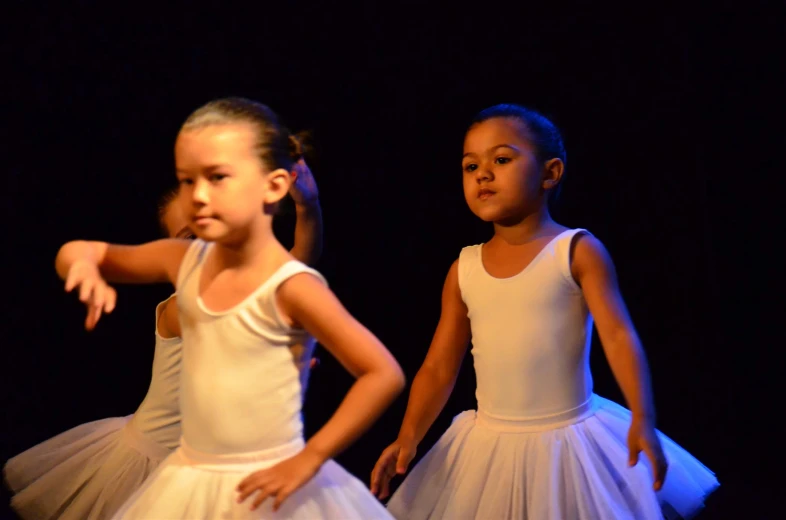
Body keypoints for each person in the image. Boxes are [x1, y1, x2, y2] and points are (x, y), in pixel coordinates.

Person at [55, 97, 404, 519]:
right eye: (187, 181)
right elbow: (84, 250)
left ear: (274, 186)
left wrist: (310, 457)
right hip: (190, 478)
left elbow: (382, 373)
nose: (198, 195)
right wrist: (83, 267)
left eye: (217, 177)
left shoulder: (292, 286)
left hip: (267, 483)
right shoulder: (181, 261)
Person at [371, 104, 719, 519]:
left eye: (501, 159)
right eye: (470, 166)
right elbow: (440, 366)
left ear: (550, 173)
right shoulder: (463, 269)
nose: (482, 173)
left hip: (569, 444)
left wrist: (642, 418)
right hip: (489, 444)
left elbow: (618, 336)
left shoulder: (575, 252)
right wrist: (408, 435)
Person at [3, 156, 324, 520]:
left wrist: (307, 205)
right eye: (186, 238)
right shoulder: (179, 310)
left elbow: (297, 267)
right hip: (156, 462)